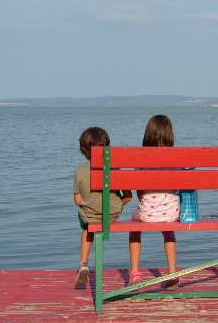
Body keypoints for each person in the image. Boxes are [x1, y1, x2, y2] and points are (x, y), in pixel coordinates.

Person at [73, 126, 131, 286]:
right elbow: (129, 196)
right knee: (98, 214)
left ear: (83, 150)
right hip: (112, 215)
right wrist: (116, 204)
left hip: (90, 216)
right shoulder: (116, 169)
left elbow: (77, 201)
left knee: (86, 227)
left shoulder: (79, 171)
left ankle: (83, 263)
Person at [128, 114, 180, 290]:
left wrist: (145, 200)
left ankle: (135, 274)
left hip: (147, 213)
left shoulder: (140, 158)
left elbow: (138, 190)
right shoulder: (176, 158)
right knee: (168, 231)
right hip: (172, 212)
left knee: (134, 223)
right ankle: (172, 272)